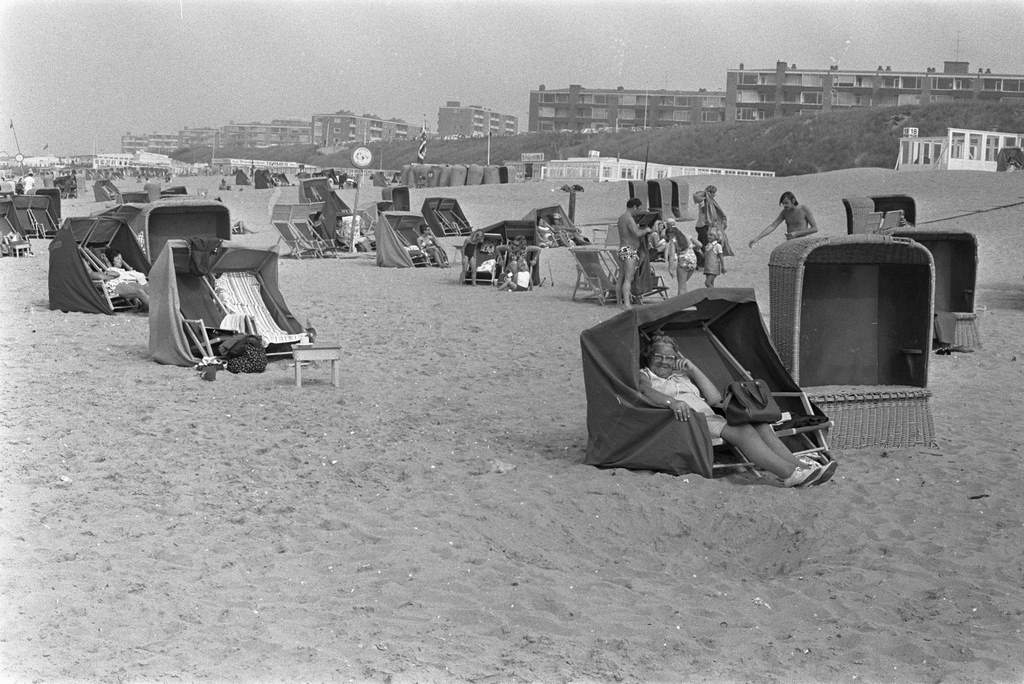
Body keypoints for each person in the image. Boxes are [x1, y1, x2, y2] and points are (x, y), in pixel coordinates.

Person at [638, 334, 836, 487]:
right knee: (744, 431)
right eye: (659, 356)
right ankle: (789, 474)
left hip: (710, 417)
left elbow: (714, 398)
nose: (664, 361)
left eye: (670, 357)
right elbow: (645, 391)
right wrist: (671, 402)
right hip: (687, 421)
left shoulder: (681, 376)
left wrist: (693, 369)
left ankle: (801, 468)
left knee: (760, 424)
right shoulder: (645, 374)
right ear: (649, 356)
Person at [616, 198, 653, 308]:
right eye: (639, 208)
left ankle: (619, 302)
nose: (639, 211)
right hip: (629, 250)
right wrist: (646, 230)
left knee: (621, 277)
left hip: (622, 248)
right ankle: (627, 304)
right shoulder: (629, 219)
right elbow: (637, 233)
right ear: (634, 207)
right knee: (628, 278)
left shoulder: (621, 218)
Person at [749, 191, 819, 248]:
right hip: (790, 243)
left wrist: (796, 234)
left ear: (793, 200)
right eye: (783, 204)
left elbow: (815, 229)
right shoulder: (785, 212)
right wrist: (757, 238)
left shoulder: (803, 209)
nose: (784, 205)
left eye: (786, 203)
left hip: (802, 243)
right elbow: (773, 226)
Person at [694, 184, 733, 262]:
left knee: (702, 245)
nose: (715, 195)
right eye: (714, 193)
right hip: (702, 226)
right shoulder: (704, 202)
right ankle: (703, 262)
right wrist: (706, 194)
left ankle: (701, 262)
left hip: (702, 226)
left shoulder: (709, 202)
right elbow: (698, 200)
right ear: (710, 193)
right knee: (704, 245)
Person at [663, 219, 697, 296]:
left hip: (683, 261)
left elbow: (671, 256)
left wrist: (670, 269)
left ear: (669, 234)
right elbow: (700, 245)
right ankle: (686, 302)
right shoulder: (685, 236)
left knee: (681, 287)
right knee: (684, 284)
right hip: (693, 260)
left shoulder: (673, 241)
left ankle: (681, 304)